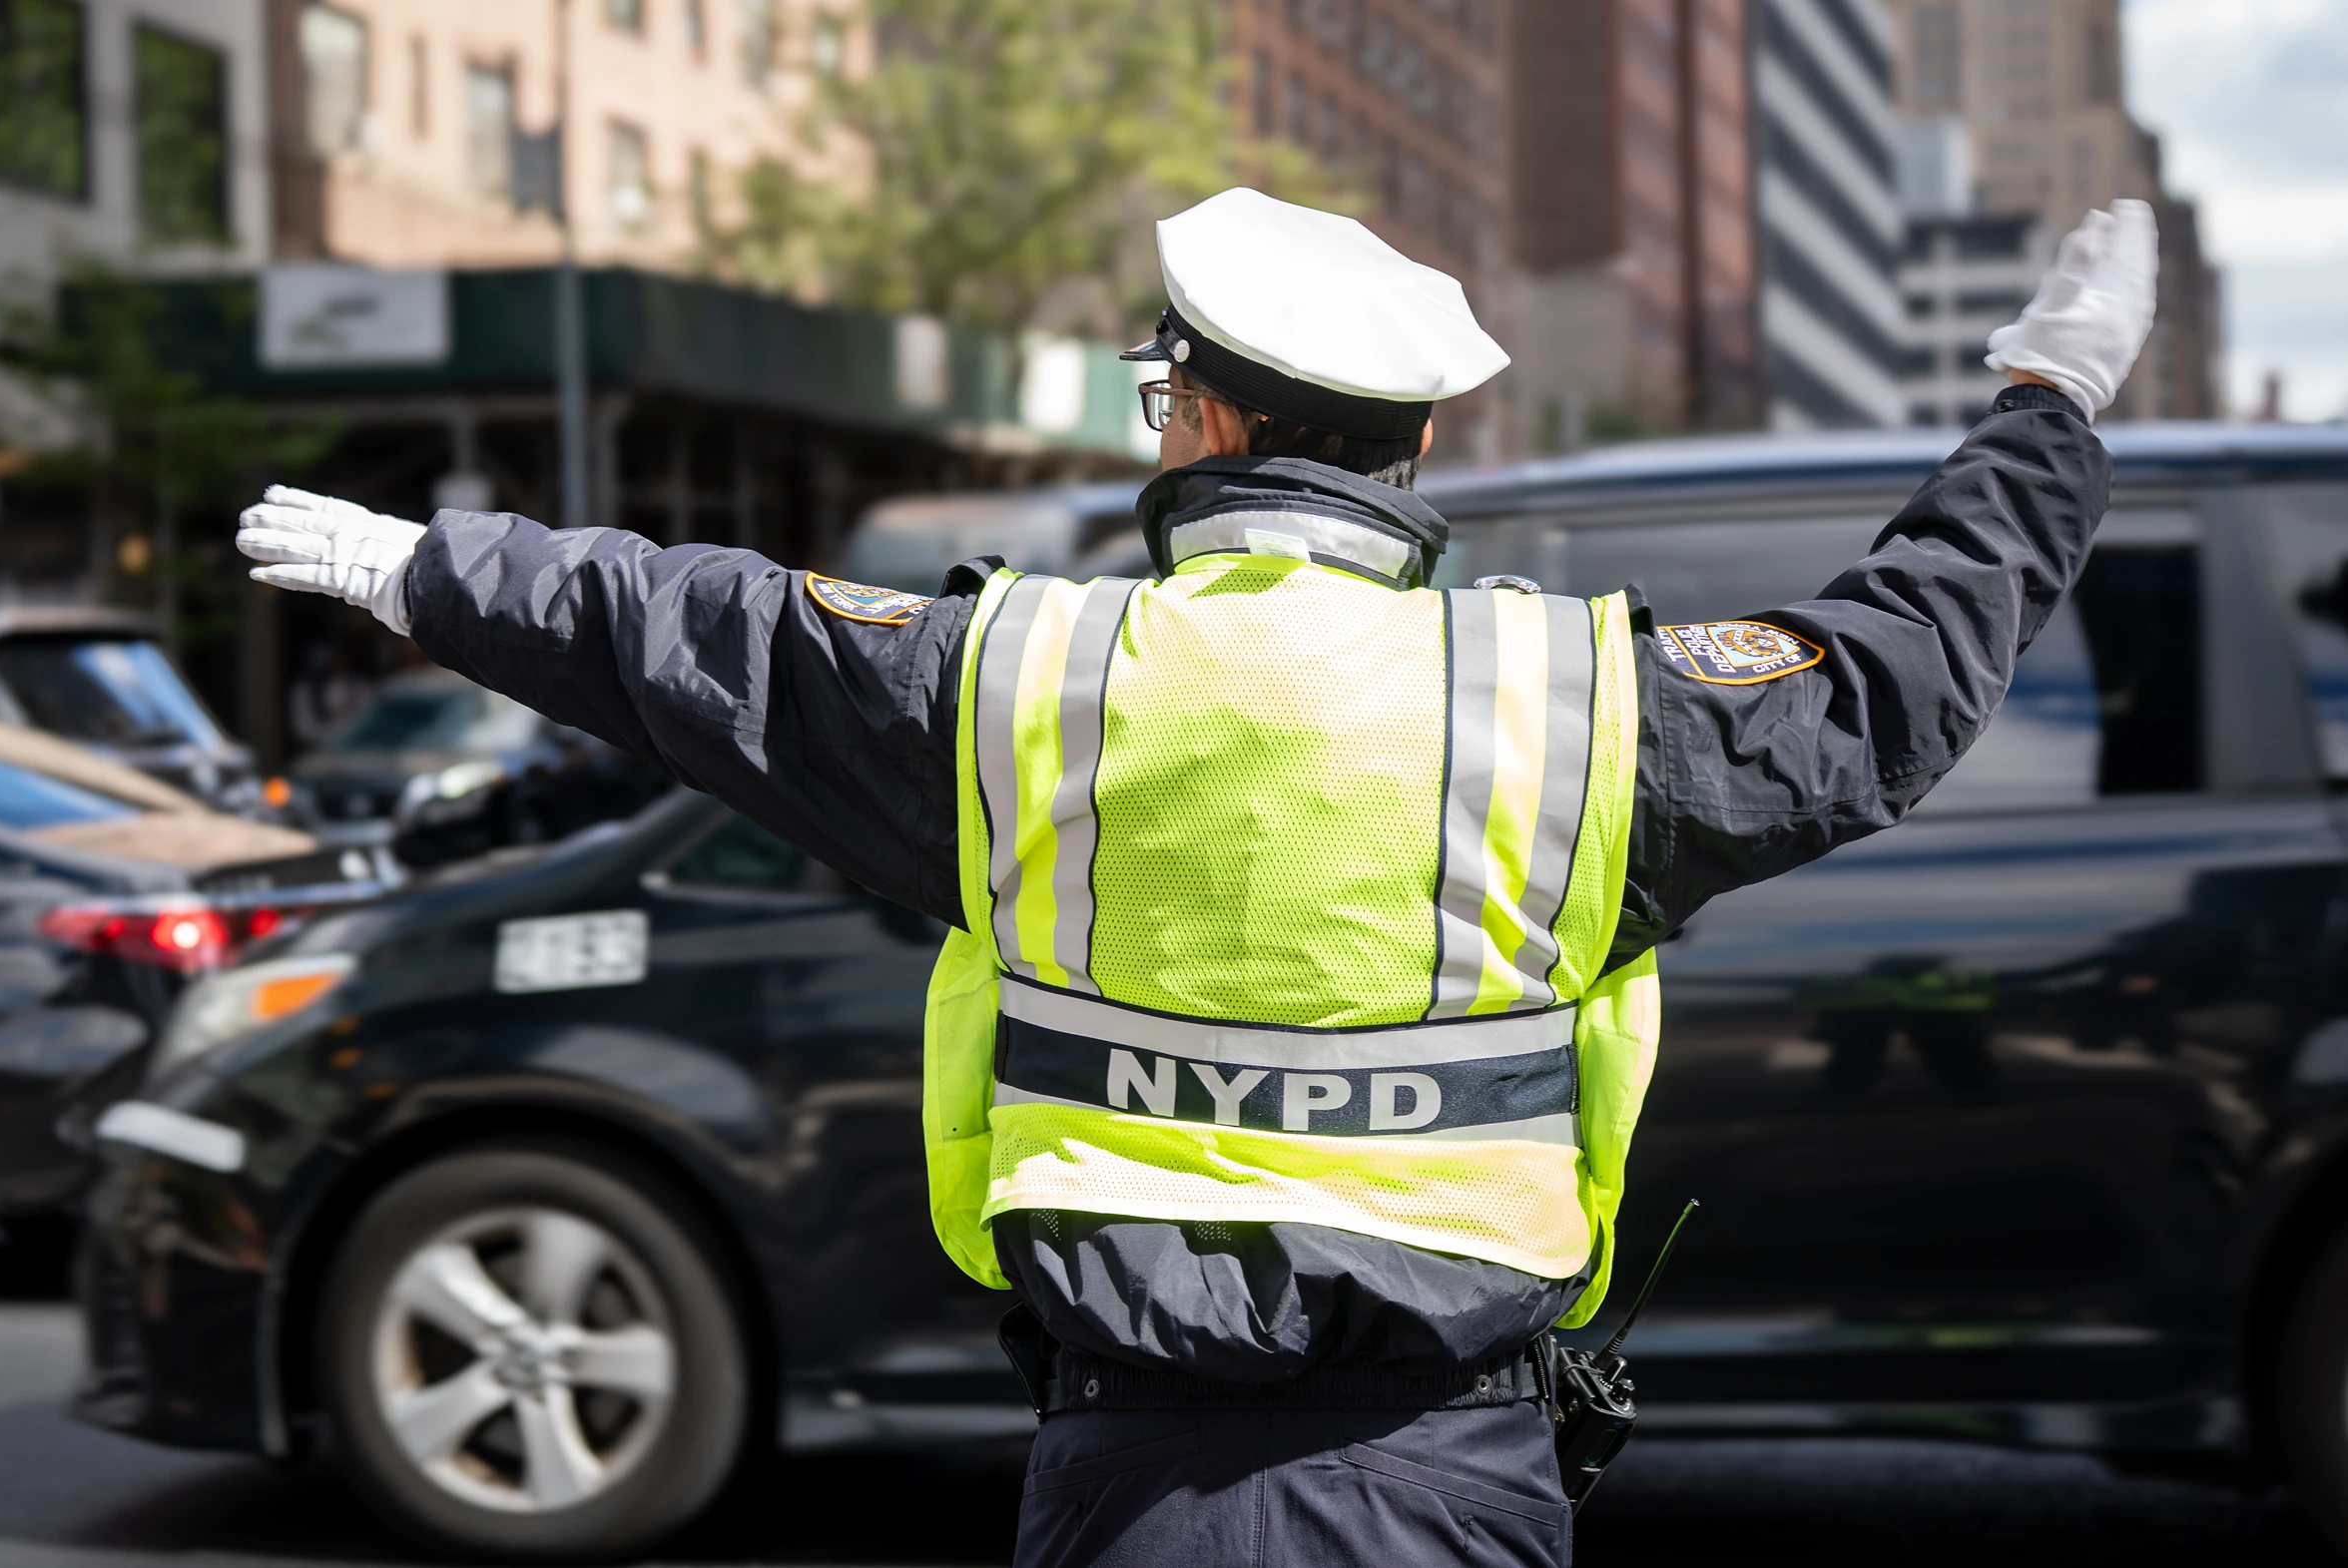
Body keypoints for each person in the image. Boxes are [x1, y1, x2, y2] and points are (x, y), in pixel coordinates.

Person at [237, 188, 2158, 1568]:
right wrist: (2046, 410)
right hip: (1462, 1483)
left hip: (1115, 1479)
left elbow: (703, 631)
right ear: (1412, 444)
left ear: (1212, 424)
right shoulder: (1578, 703)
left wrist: (426, 567)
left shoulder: (1024, 680)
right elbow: (1899, 668)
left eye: (1166, 392)